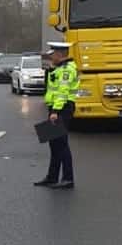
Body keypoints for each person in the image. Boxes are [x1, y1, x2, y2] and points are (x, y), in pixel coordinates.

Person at [35, 42, 78, 190]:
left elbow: (62, 92)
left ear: (60, 55)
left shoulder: (66, 70)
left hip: (62, 109)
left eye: (52, 55)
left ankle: (67, 178)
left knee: (62, 144)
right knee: (54, 144)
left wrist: (55, 112)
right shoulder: (58, 68)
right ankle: (52, 177)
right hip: (56, 107)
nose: (50, 57)